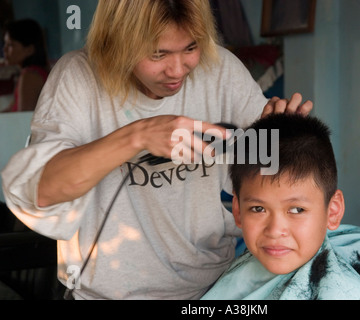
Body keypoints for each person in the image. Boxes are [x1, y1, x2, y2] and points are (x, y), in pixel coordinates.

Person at [1, 0, 312, 300]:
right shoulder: (78, 76)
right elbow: (43, 192)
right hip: (108, 293)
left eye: (190, 47)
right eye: (157, 53)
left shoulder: (220, 70)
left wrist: (277, 142)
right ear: (118, 42)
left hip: (212, 288)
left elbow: (266, 178)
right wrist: (136, 137)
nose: (177, 70)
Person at [201, 113, 360, 300]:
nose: (274, 230)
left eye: (297, 210)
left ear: (333, 211)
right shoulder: (239, 276)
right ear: (238, 210)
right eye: (258, 209)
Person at [2, 19, 49, 112]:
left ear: (29, 50)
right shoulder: (31, 73)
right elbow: (11, 109)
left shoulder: (30, 76)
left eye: (11, 45)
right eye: (5, 44)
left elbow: (24, 119)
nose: (4, 49)